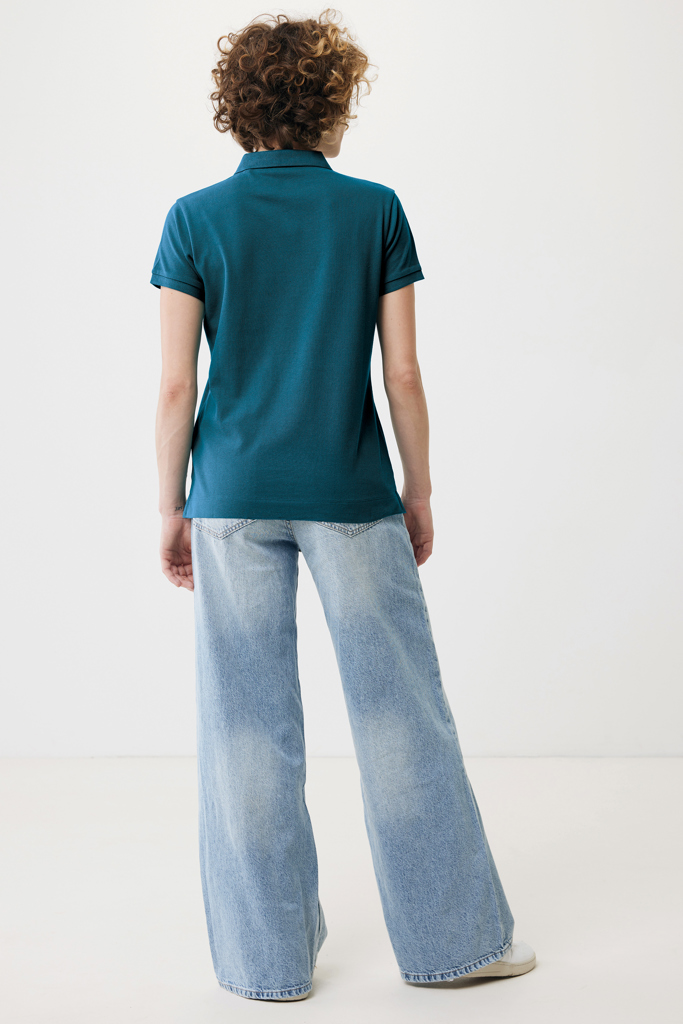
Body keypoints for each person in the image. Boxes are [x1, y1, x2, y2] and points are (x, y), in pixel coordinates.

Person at [151, 8, 536, 1003]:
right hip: (351, 494)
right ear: (331, 104)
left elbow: (175, 385)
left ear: (236, 107)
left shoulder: (193, 218)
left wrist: (170, 506)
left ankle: (265, 965)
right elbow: (401, 373)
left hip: (229, 497)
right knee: (398, 714)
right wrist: (418, 487)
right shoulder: (374, 211)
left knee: (245, 729)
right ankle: (454, 946)